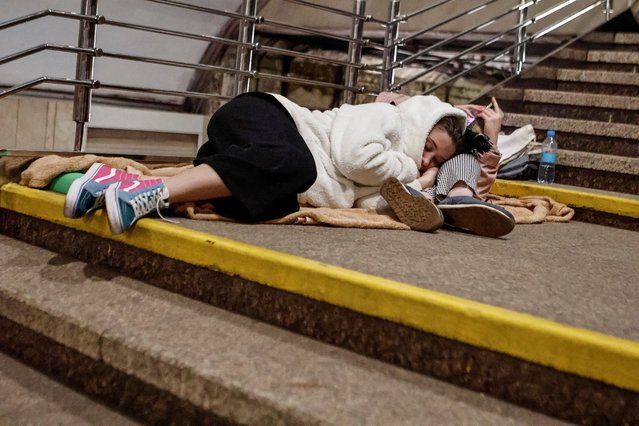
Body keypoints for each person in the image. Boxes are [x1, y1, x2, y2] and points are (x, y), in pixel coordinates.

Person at [64, 91, 513, 237]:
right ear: (422, 124)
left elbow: (371, 201)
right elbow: (355, 156)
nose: (425, 157)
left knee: (253, 204)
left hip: (265, 161)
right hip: (265, 115)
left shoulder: (397, 168)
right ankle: (149, 195)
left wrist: (427, 183)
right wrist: (413, 170)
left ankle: (110, 181)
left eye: (436, 159)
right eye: (430, 146)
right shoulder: (388, 117)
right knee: (295, 165)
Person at [376, 93, 515, 237]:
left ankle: (457, 197)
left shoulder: (439, 171)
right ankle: (424, 201)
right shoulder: (389, 141)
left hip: (430, 196)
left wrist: (491, 140)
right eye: (428, 147)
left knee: (466, 159)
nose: (427, 161)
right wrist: (446, 109)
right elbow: (385, 99)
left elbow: (478, 197)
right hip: (400, 184)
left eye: (438, 159)